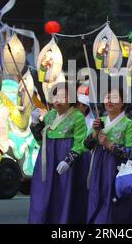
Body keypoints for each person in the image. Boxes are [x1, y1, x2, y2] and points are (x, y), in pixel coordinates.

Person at [28, 82, 89, 224]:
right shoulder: (50, 116)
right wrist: (35, 123)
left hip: (70, 165)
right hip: (49, 162)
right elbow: (40, 141)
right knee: (43, 195)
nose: (58, 100)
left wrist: (68, 160)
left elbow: (80, 142)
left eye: (64, 96)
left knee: (65, 196)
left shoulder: (77, 117)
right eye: (56, 96)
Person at [83, 87, 132, 223]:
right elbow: (85, 146)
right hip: (98, 169)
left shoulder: (128, 124)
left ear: (122, 103)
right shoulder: (98, 121)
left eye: (114, 98)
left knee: (115, 206)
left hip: (117, 170)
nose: (109, 101)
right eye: (107, 97)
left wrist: (110, 145)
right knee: (97, 200)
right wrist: (95, 133)